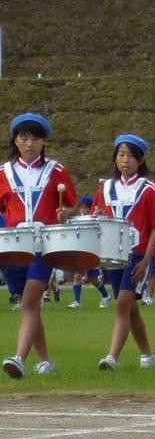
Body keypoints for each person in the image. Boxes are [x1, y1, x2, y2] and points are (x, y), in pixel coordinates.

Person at [1, 113, 79, 378]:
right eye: (24, 138)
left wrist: (67, 213)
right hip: (14, 245)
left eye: (35, 138)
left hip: (46, 244)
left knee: (31, 300)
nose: (30, 143)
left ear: (44, 141)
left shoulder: (56, 171)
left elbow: (72, 204)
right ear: (16, 140)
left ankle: (19, 359)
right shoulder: (4, 173)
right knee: (29, 303)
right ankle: (45, 360)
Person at [94, 134, 155, 369]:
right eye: (121, 155)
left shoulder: (148, 189)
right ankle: (148, 355)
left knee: (122, 306)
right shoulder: (105, 188)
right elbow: (98, 218)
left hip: (136, 256)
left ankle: (112, 357)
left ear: (141, 160)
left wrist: (146, 260)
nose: (125, 160)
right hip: (112, 256)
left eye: (131, 156)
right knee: (131, 307)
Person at [66, 195, 112, 310]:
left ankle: (106, 296)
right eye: (81, 206)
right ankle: (77, 301)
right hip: (80, 250)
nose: (83, 208)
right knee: (77, 275)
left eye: (85, 206)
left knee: (93, 279)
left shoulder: (96, 218)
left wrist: (96, 214)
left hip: (92, 250)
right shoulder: (77, 218)